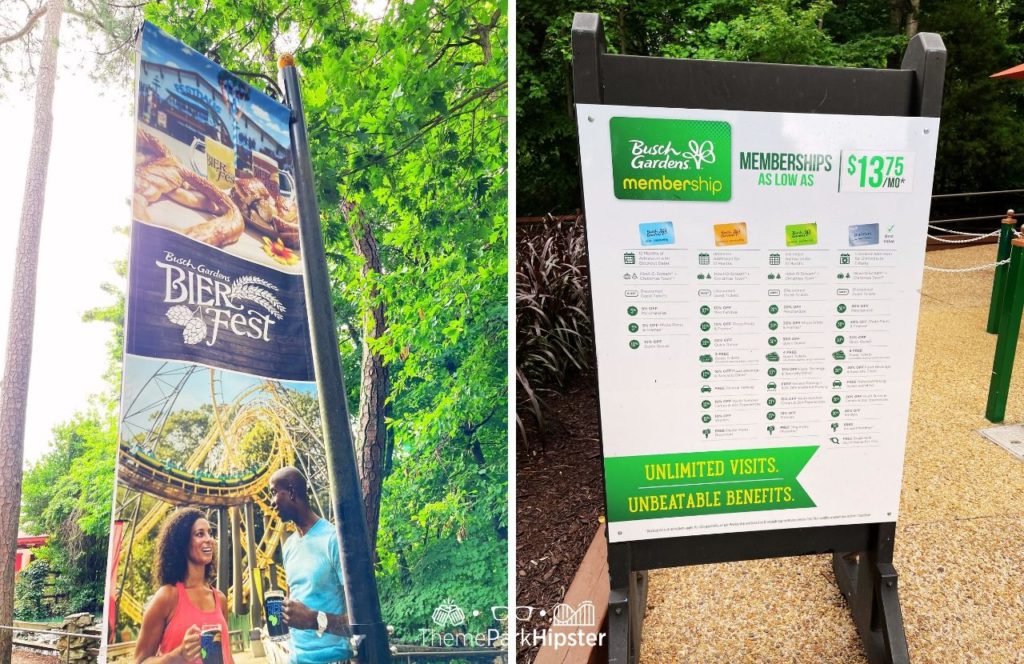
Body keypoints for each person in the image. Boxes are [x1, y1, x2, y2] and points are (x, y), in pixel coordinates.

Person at [269, 466, 352, 663]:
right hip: (295, 658)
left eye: (274, 493)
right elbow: (294, 602)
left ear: (291, 492)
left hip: (332, 658)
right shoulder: (288, 546)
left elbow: (359, 621)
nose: (271, 503)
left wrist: (315, 620)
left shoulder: (333, 540)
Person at [135, 507, 233, 664]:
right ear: (182, 542)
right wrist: (177, 656)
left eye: (210, 533)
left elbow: (227, 656)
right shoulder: (167, 597)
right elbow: (139, 661)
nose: (209, 539)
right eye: (200, 534)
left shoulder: (220, 599)